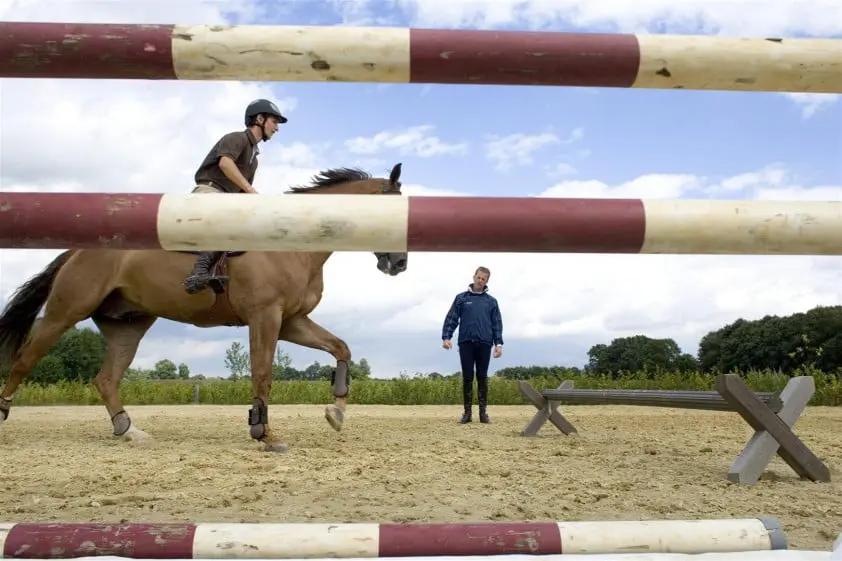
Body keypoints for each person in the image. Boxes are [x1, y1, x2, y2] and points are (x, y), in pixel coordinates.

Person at [183, 98, 288, 295]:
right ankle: (198, 272)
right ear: (259, 119)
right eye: (274, 121)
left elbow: (243, 194)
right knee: (230, 222)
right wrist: (251, 191)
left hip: (227, 198)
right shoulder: (236, 138)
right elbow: (225, 163)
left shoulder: (254, 160)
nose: (277, 128)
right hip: (209, 191)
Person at [441, 266, 504, 424]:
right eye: (478, 277)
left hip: (484, 343)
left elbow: (497, 323)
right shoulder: (461, 298)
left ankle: (483, 414)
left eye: (484, 279)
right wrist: (446, 337)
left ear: (487, 281)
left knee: (482, 377)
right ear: (474, 277)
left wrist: (498, 344)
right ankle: (467, 413)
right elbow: (452, 318)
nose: (480, 281)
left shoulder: (491, 302)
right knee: (467, 377)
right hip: (466, 343)